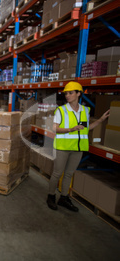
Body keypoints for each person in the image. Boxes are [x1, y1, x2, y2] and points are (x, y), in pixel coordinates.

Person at [47, 81, 110, 212]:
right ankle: (51, 196)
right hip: (63, 147)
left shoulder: (85, 110)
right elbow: (55, 129)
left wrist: (100, 120)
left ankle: (64, 198)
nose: (67, 95)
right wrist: (71, 129)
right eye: (66, 93)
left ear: (78, 94)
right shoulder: (61, 110)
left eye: (70, 93)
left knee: (69, 174)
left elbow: (86, 129)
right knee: (57, 173)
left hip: (78, 148)